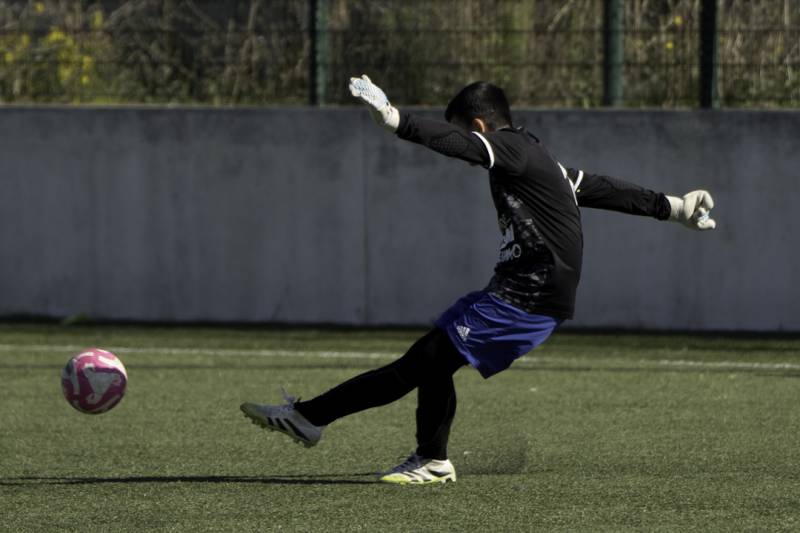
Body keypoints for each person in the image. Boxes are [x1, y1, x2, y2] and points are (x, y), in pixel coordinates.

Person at [241, 75, 716, 485]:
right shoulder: (537, 158)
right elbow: (600, 188)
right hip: (519, 289)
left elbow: (464, 147)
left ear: (480, 126)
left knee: (420, 362)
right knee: (433, 360)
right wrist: (672, 207)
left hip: (530, 294)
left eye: (465, 133)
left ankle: (313, 419)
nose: (468, 147)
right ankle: (428, 458)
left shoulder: (509, 148)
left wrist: (394, 119)